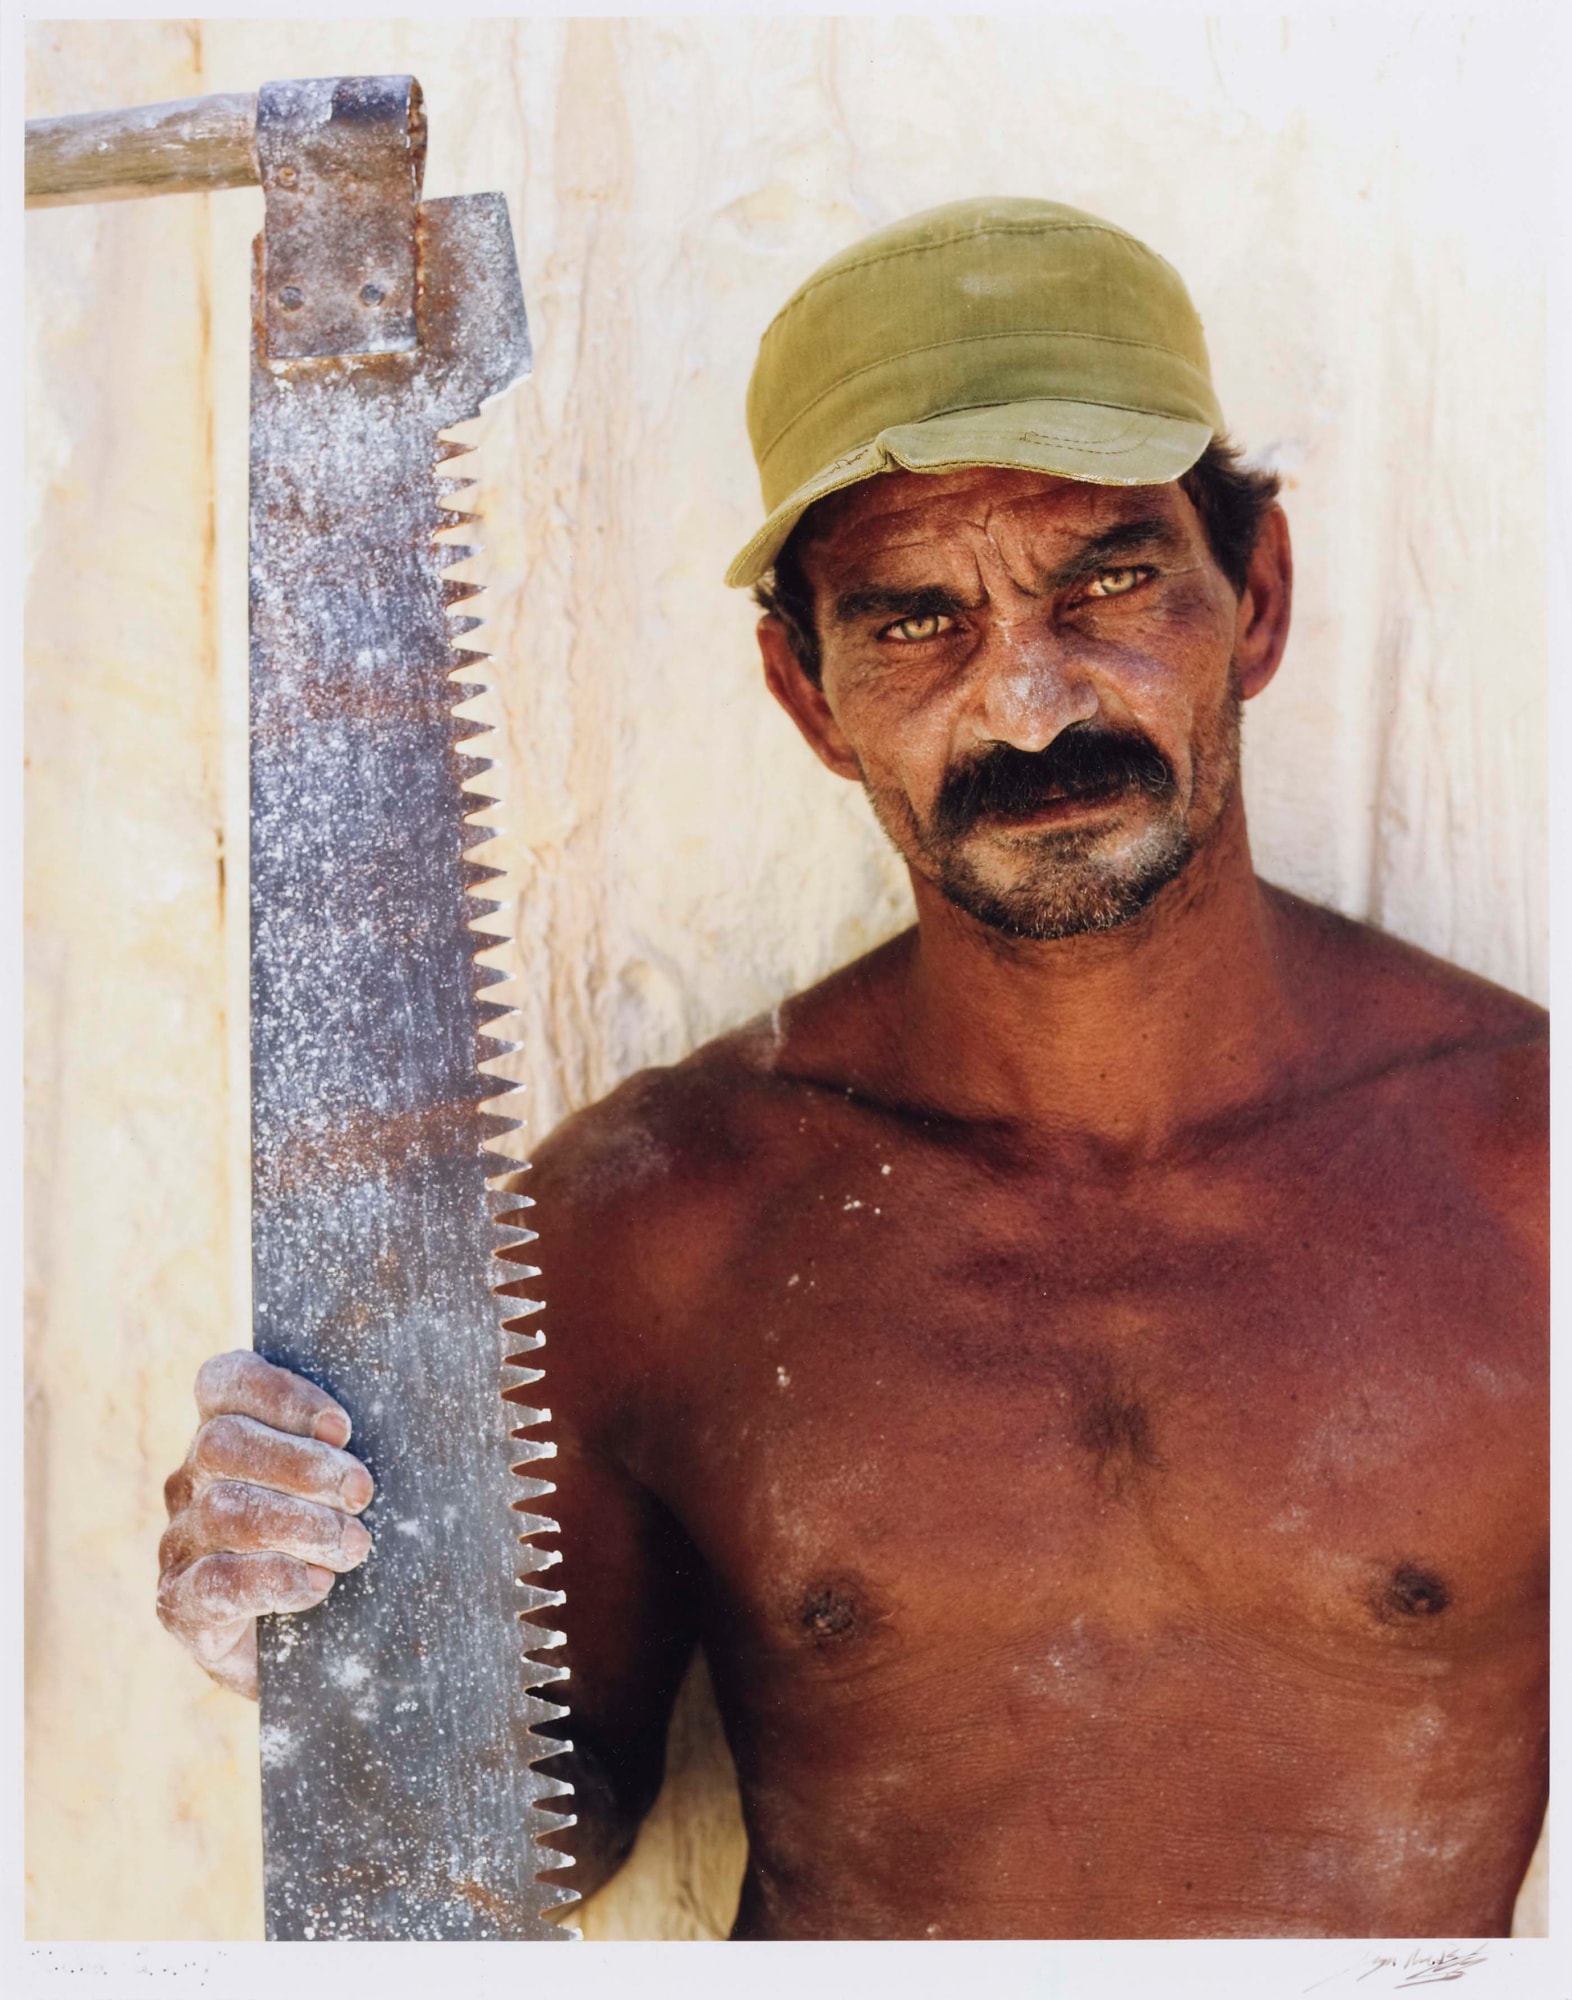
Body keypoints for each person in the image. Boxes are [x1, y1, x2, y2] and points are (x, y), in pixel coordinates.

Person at [157, 198, 1548, 1940]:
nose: (1030, 702)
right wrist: (337, 1650)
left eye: (1109, 579)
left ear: (1253, 600)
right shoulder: (656, 1227)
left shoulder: (1527, 1177)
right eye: (912, 622)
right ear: (808, 695)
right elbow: (529, 1835)